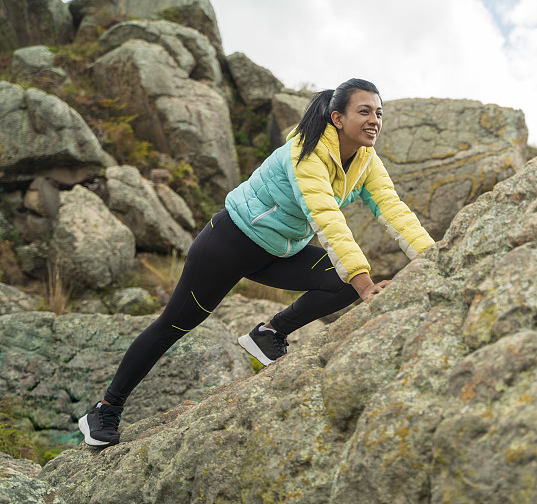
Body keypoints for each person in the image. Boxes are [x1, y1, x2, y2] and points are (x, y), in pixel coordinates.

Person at [78, 78, 435, 447]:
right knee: (174, 325)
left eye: (379, 112)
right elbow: (327, 218)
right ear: (338, 118)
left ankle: (269, 334)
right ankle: (105, 409)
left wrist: (435, 258)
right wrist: (366, 286)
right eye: (364, 111)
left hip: (279, 252)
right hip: (228, 245)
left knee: (340, 282)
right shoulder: (305, 153)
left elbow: (394, 210)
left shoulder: (366, 161)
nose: (375, 119)